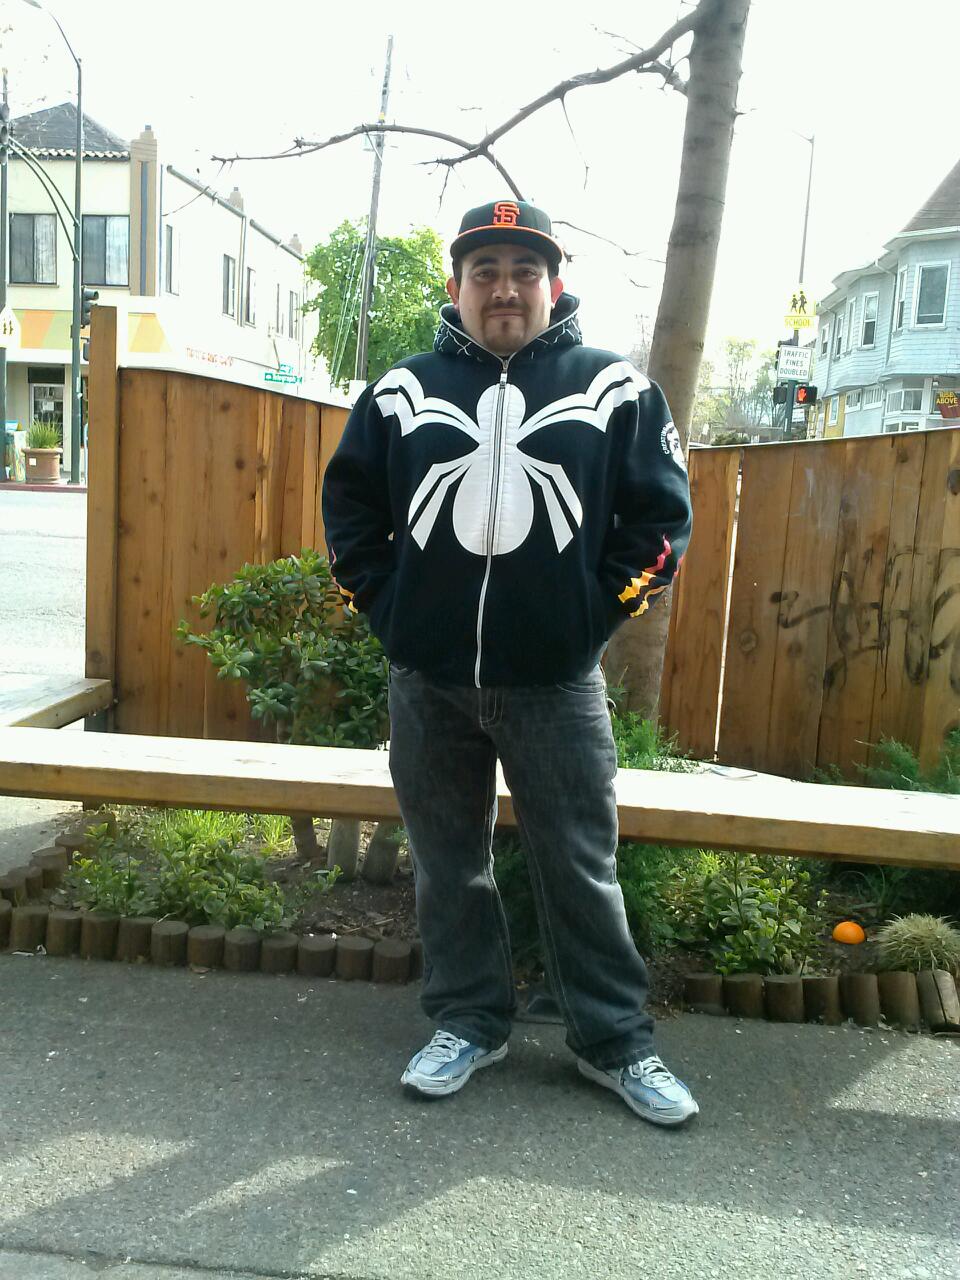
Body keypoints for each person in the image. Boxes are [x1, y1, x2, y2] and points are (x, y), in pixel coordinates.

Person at [321, 200, 697, 1126]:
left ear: (553, 286)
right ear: (456, 286)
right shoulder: (399, 390)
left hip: (555, 685)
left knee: (580, 867)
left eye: (524, 271)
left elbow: (660, 526)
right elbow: (349, 512)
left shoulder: (617, 389)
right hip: (428, 682)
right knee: (448, 865)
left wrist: (587, 620)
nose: (504, 288)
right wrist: (392, 616)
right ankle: (468, 1022)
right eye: (484, 270)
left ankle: (616, 1042)